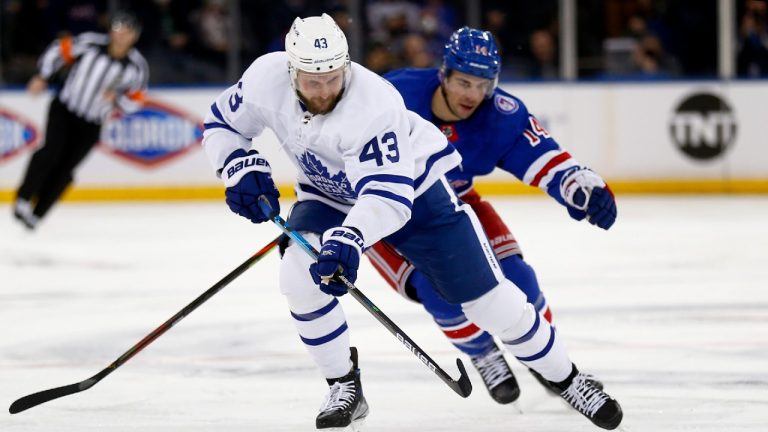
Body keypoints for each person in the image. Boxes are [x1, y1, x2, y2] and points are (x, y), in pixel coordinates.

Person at [201, 14, 623, 431]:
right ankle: (344, 385)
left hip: (415, 197)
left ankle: (567, 379)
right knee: (297, 277)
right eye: (313, 80)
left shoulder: (373, 104)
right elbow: (222, 123)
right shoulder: (263, 79)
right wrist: (237, 165)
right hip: (327, 194)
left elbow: (388, 198)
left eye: (334, 76)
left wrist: (348, 238)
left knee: (490, 301)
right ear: (291, 69)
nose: (326, 89)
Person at [366, 26, 619, 407]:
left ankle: (549, 359)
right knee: (439, 292)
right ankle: (483, 352)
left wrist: (582, 188)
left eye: (481, 84)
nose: (472, 95)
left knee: (519, 278)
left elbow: (546, 160)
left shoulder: (501, 115)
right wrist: (317, 211)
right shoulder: (392, 96)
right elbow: (336, 147)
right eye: (463, 82)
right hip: (391, 210)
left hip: (456, 201)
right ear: (444, 74)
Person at [13, 12, 148, 230]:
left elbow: (137, 100)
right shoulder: (90, 44)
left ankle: (38, 214)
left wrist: (119, 99)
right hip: (65, 109)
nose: (122, 36)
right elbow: (59, 50)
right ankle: (23, 197)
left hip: (92, 123)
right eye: (118, 29)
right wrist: (43, 76)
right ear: (111, 30)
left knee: (66, 169)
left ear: (134, 36)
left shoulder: (136, 66)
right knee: (50, 153)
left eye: (127, 32)